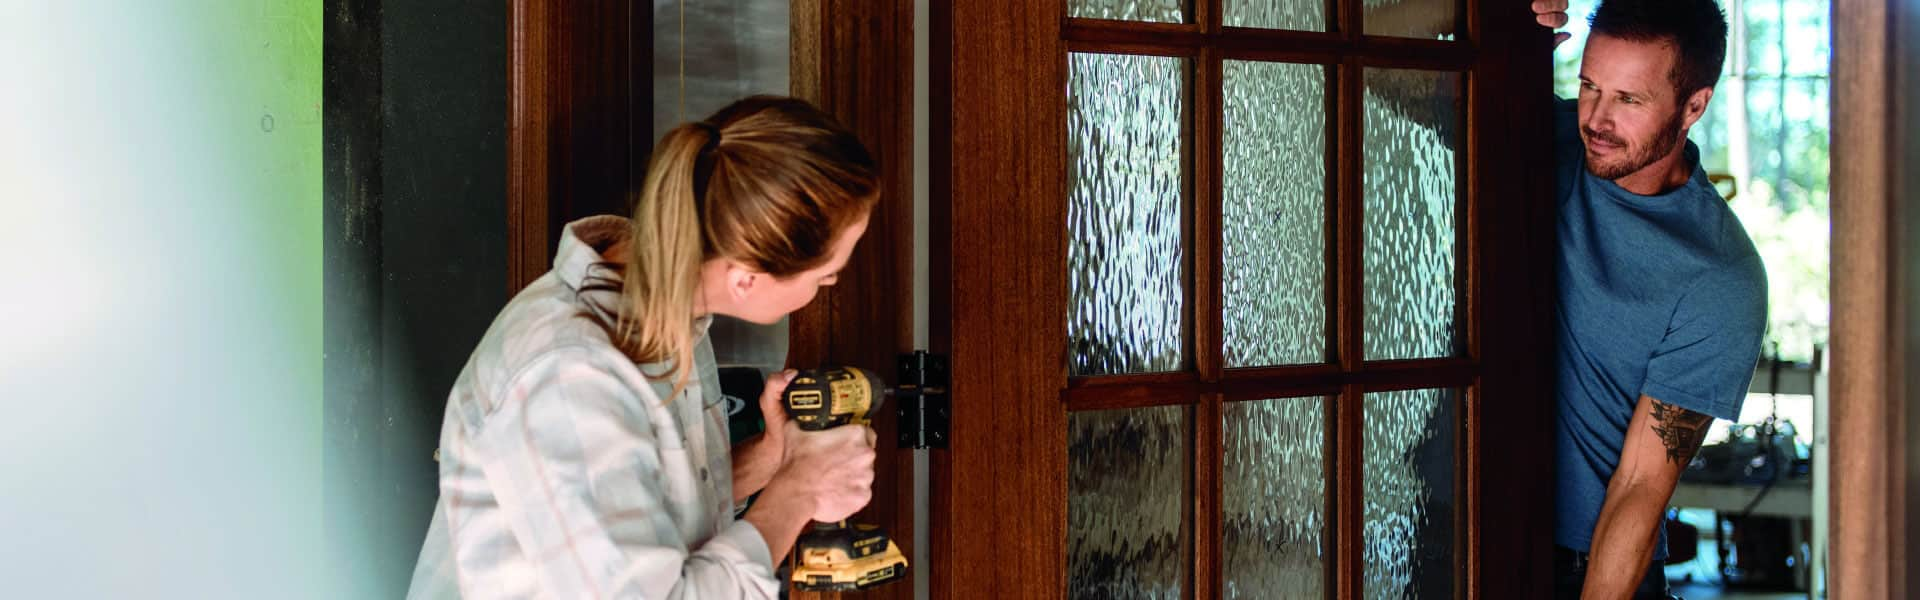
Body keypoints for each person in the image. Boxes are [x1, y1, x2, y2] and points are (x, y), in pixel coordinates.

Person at [404, 95, 883, 599]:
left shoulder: (666, 319)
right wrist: (799, 491)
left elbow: (643, 508)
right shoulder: (568, 377)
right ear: (745, 279)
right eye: (826, 277)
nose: (824, 289)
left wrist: (774, 458)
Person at [1531, 1, 1768, 598]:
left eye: (1628, 100)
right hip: (1460, 526)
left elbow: (1641, 484)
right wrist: (1473, 17)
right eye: (1589, 86)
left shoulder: (1721, 274)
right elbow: (1386, 77)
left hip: (1594, 569)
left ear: (1694, 105)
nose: (1597, 118)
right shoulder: (1542, 135)